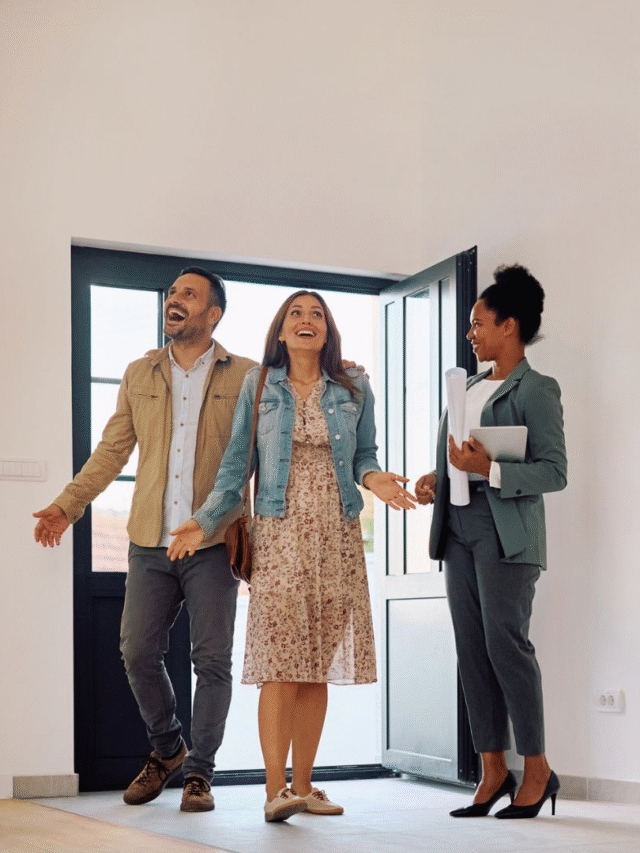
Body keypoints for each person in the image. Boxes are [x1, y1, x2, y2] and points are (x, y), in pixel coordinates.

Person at [168, 290, 416, 822]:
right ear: (280, 331)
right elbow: (236, 468)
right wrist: (202, 519)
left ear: (327, 331)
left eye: (317, 315)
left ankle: (304, 786)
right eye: (296, 315)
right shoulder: (259, 386)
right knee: (281, 666)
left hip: (338, 537)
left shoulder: (353, 386)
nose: (307, 321)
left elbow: (365, 456)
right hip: (279, 536)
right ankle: (274, 790)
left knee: (315, 670)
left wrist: (381, 483)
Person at [33, 267, 257, 812]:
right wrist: (69, 504)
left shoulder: (249, 374)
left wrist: (343, 374)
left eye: (188, 294)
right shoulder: (139, 373)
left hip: (212, 541)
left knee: (212, 661)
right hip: (149, 541)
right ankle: (168, 749)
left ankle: (200, 772)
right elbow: (112, 452)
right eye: (172, 293)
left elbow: (258, 454)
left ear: (213, 314)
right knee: (136, 650)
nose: (174, 300)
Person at [415, 264, 567, 820]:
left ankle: (539, 768)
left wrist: (492, 468)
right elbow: (456, 456)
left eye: (479, 323)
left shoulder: (537, 389)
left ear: (510, 325)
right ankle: (493, 769)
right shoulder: (469, 388)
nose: (470, 333)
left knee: (507, 646)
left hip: (507, 531)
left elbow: (554, 470)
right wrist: (437, 478)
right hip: (457, 526)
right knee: (472, 650)